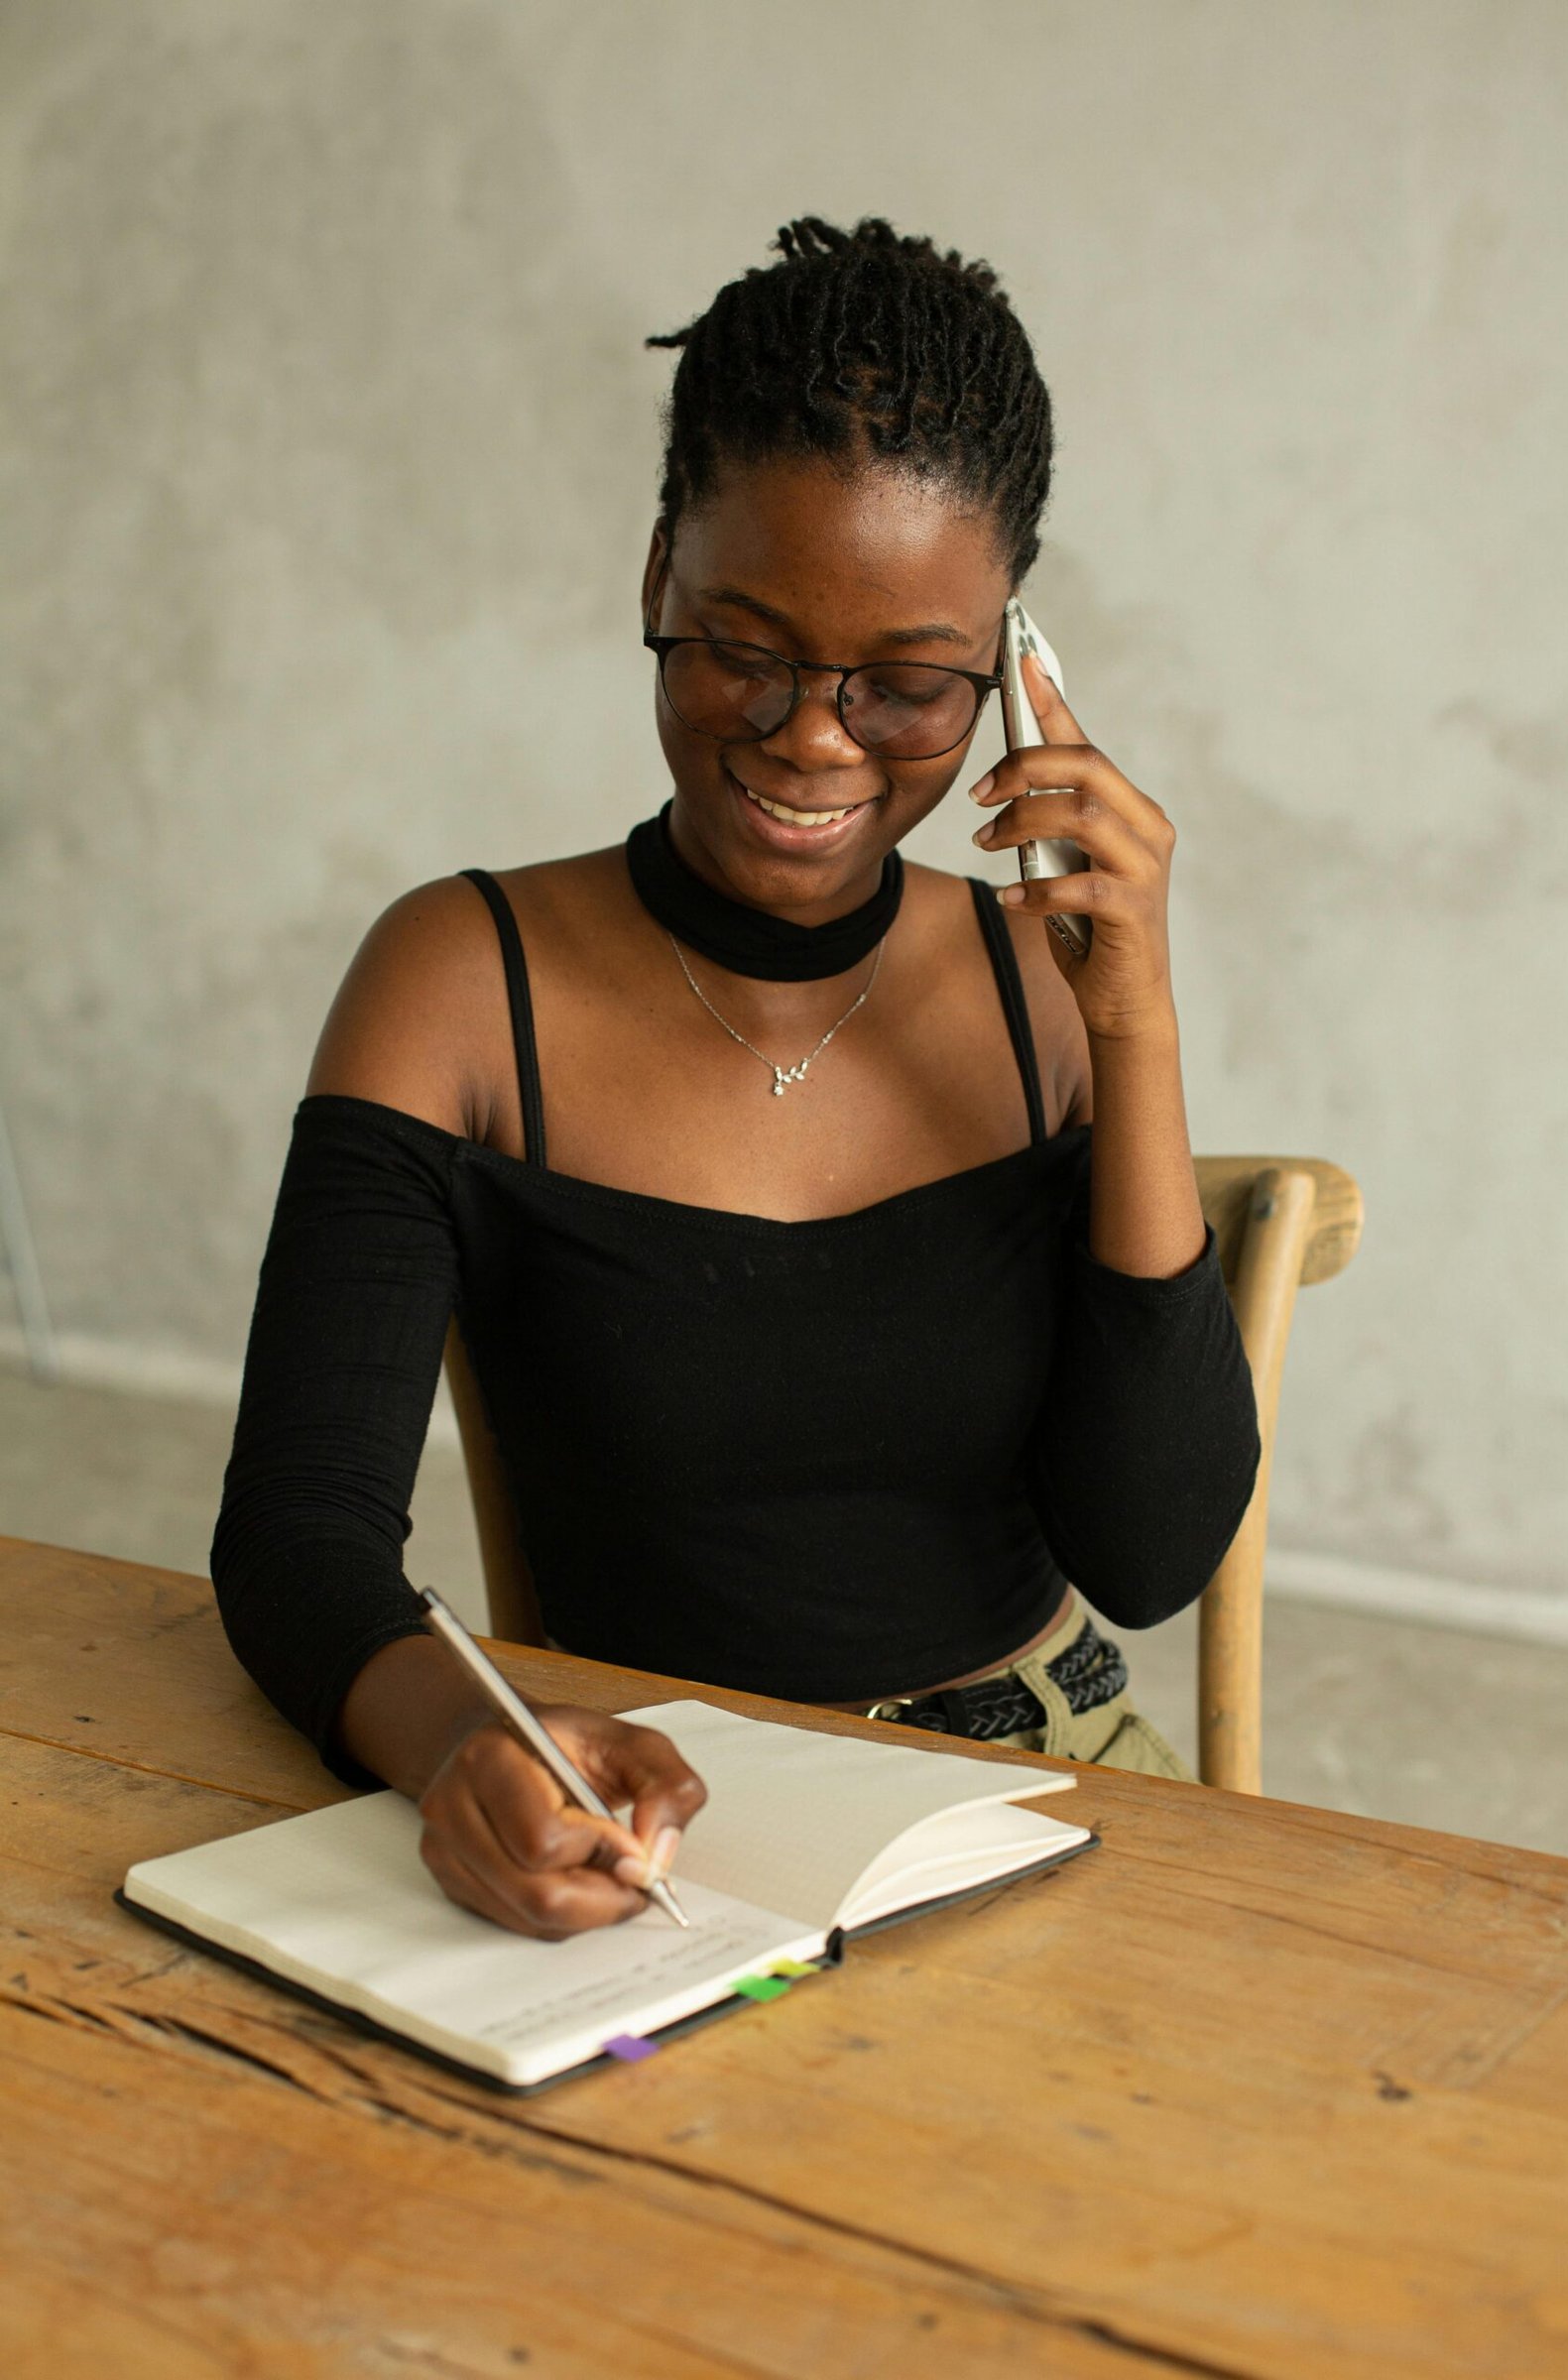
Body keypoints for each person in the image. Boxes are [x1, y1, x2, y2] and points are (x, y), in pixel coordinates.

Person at [212, 217, 1259, 1940]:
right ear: (655, 581)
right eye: (747, 650)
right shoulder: (463, 986)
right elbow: (297, 1540)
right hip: (683, 1843)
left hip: (1052, 1800)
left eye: (909, 683)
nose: (814, 738)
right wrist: (469, 1750)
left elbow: (1150, 1559)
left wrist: (1135, 1026)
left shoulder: (1035, 989)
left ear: (1007, 667)